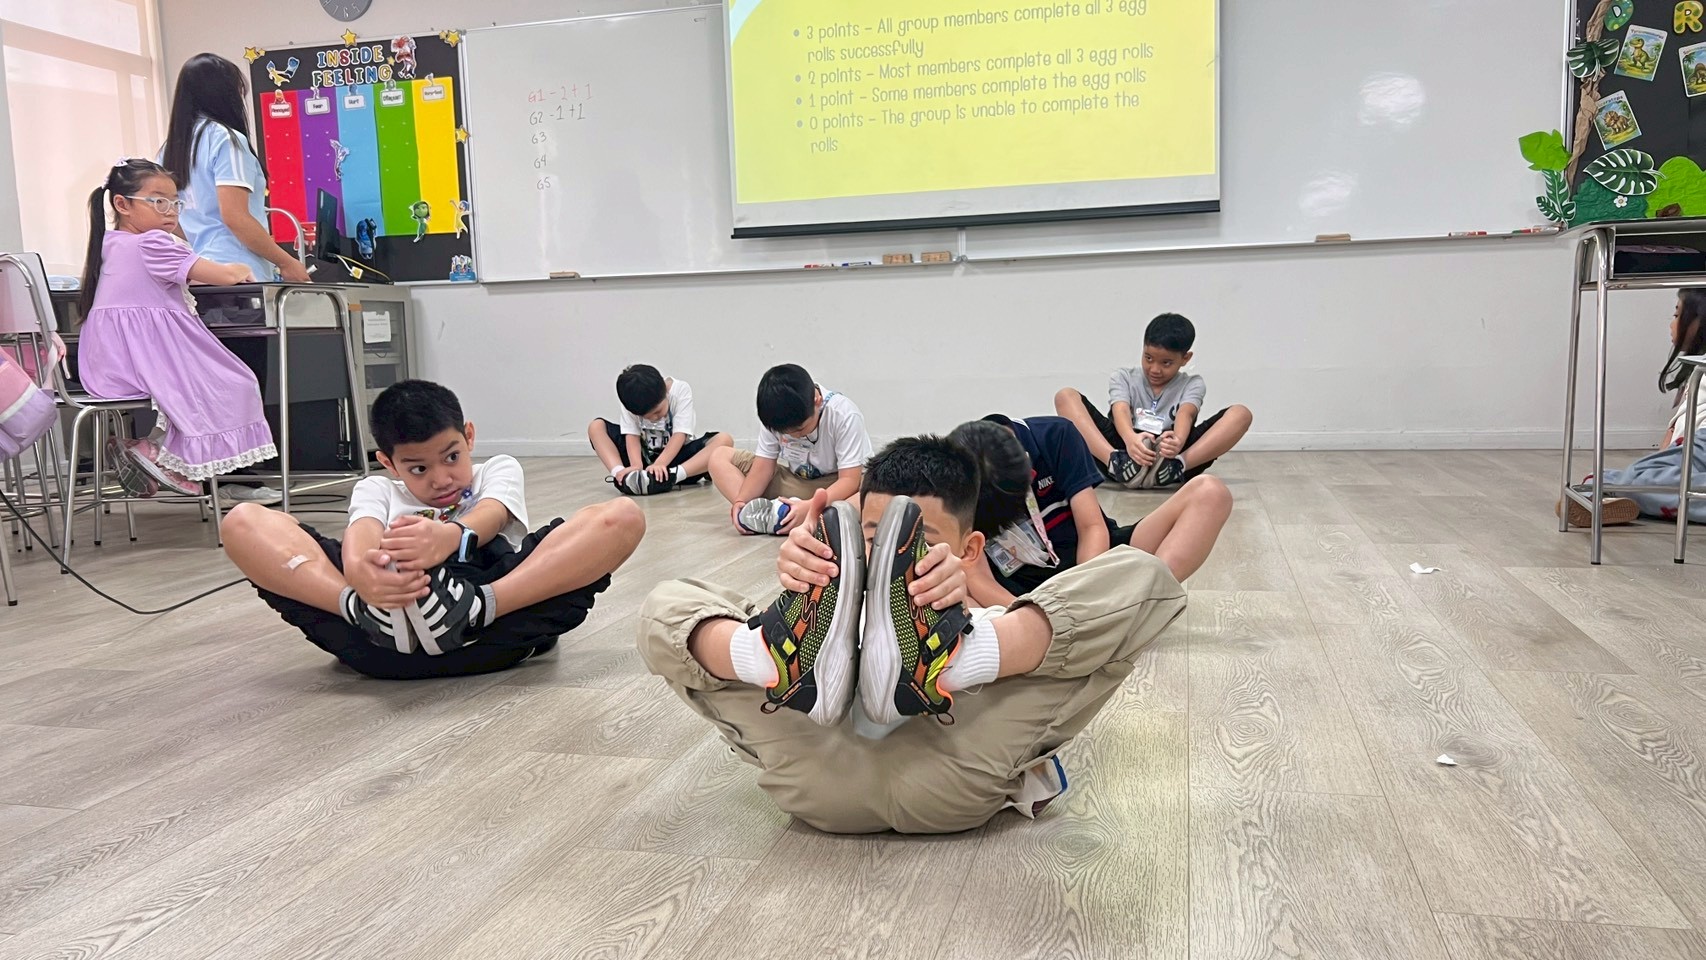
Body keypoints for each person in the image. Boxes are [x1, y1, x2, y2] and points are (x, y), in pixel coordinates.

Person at [637, 435, 1190, 834]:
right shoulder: (831, 593)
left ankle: (949, 658)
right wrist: (805, 571)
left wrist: (986, 625)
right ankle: (772, 656)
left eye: (920, 539)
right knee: (665, 604)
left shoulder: (988, 614)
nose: (894, 558)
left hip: (949, 760)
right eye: (874, 537)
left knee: (1139, 574)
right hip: (821, 757)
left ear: (970, 551)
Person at [222, 379, 645, 680]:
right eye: (419, 468)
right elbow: (362, 531)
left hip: (494, 624)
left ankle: (476, 607)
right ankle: (356, 607)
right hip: (377, 634)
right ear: (388, 462)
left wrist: (451, 537)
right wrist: (363, 576)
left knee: (623, 517)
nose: (441, 479)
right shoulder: (377, 488)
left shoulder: (496, 470)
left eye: (451, 457)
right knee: (242, 521)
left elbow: (494, 514)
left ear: (469, 437)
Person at [77, 158, 276, 500]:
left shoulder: (111, 243)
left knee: (205, 387)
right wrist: (243, 267)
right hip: (144, 359)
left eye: (175, 202)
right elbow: (224, 275)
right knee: (236, 382)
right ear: (122, 204)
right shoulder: (154, 243)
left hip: (108, 364)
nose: (170, 211)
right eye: (158, 201)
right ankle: (164, 458)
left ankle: (155, 452)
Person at [950, 416, 1230, 605]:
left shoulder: (1055, 435)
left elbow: (1092, 527)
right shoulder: (955, 476)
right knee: (957, 599)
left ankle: (1142, 607)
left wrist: (1087, 594)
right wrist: (1032, 617)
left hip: (1094, 563)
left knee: (1210, 493)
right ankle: (1106, 620)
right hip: (1020, 593)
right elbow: (976, 576)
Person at [161, 53, 312, 285]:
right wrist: (286, 262)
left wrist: (205, 237)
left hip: (202, 271)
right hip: (240, 271)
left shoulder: (170, 148)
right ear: (224, 95)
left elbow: (171, 220)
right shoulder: (225, 140)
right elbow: (235, 217)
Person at [1055, 313, 1252, 489]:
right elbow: (1120, 409)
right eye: (1148, 358)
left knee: (1241, 414)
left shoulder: (1192, 383)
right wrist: (1130, 440)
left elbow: (1186, 413)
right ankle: (1116, 463)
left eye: (1166, 363)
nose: (1155, 369)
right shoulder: (1123, 377)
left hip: (1170, 452)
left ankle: (1176, 467)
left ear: (1185, 358)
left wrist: (1177, 442)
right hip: (1124, 446)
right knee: (1065, 396)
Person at [1560, 288, 1706, 526]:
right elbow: (1672, 434)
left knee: (1636, 478)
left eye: (1677, 315)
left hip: (1700, 445)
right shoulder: (1694, 372)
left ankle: (1610, 490)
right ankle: (1610, 491)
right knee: (1620, 476)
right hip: (1692, 448)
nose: (1671, 324)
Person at [707, 363, 873, 535]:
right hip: (796, 482)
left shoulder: (844, 414)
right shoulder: (774, 417)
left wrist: (810, 507)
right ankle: (769, 515)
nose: (795, 436)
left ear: (817, 401)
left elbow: (849, 480)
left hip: (838, 485)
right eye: (785, 433)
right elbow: (763, 468)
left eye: (800, 429)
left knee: (871, 493)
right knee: (719, 456)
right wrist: (741, 500)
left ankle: (799, 515)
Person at [588, 364, 731, 495]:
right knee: (596, 427)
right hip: (643, 460)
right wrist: (636, 465)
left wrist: (660, 464)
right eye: (646, 416)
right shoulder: (630, 401)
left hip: (676, 461)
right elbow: (631, 435)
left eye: (658, 411)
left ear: (665, 391)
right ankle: (623, 477)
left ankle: (672, 477)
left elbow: (680, 434)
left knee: (724, 440)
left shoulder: (680, 390)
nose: (654, 418)